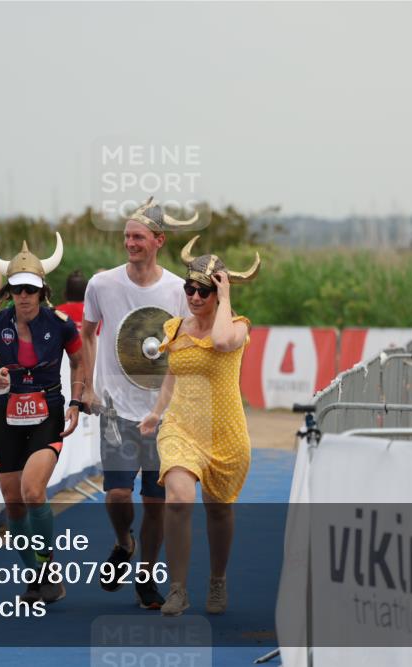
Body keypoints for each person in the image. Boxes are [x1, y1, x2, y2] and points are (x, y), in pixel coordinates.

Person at [80, 197, 196, 610]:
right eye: (127, 236)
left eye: (139, 237)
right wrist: (87, 388)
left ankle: (146, 575)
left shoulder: (178, 291)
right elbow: (87, 334)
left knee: (155, 502)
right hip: (115, 410)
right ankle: (123, 542)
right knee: (116, 495)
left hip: (163, 413)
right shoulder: (101, 284)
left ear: (159, 241)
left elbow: (184, 348)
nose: (130, 243)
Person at [139, 237, 260, 616]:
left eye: (202, 291)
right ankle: (177, 589)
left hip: (224, 431)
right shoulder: (175, 328)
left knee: (219, 511)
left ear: (217, 293)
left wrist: (225, 297)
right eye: (189, 288)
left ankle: (217, 580)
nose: (193, 296)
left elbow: (220, 341)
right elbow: (172, 377)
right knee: (178, 498)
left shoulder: (237, 328)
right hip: (181, 427)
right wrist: (156, 413)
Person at [0, 232, 84, 605]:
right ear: (8, 292)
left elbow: (79, 360)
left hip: (48, 411)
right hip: (7, 416)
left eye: (31, 290)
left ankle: (47, 570)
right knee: (13, 502)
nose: (24, 296)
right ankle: (35, 577)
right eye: (17, 289)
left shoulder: (61, 323)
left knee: (33, 491)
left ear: (42, 291)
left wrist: (77, 400)